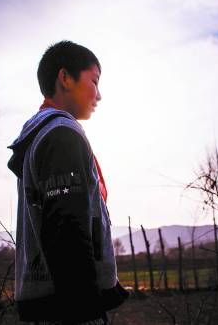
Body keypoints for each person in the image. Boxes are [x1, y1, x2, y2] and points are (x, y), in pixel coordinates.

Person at [7, 40, 129, 325]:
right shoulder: (61, 134)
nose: (99, 95)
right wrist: (86, 314)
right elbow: (67, 230)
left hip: (49, 303)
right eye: (94, 81)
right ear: (65, 78)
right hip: (68, 309)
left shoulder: (40, 133)